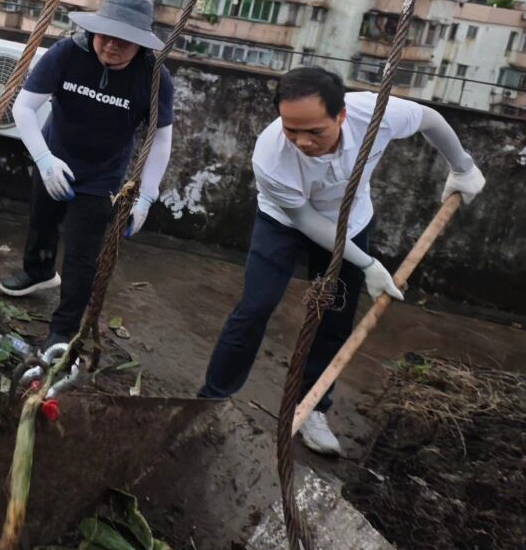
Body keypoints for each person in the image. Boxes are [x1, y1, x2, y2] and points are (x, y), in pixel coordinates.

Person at [198, 66, 486, 455]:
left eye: (315, 131)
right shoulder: (270, 153)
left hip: (350, 222)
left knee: (334, 320)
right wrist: (367, 264)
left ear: (342, 115)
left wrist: (462, 167)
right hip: (283, 222)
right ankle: (211, 400)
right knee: (254, 308)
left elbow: (430, 120)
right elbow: (304, 219)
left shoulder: (374, 113)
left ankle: (313, 407)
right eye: (291, 129)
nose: (302, 141)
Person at [0, 0, 175, 349]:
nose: (112, 45)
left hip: (102, 176)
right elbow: (24, 107)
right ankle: (38, 271)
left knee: (81, 256)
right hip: (54, 155)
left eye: (124, 40)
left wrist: (146, 197)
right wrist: (44, 159)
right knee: (42, 222)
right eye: (106, 35)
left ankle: (63, 331)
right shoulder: (67, 53)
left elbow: (160, 139)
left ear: (141, 44)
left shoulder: (154, 78)